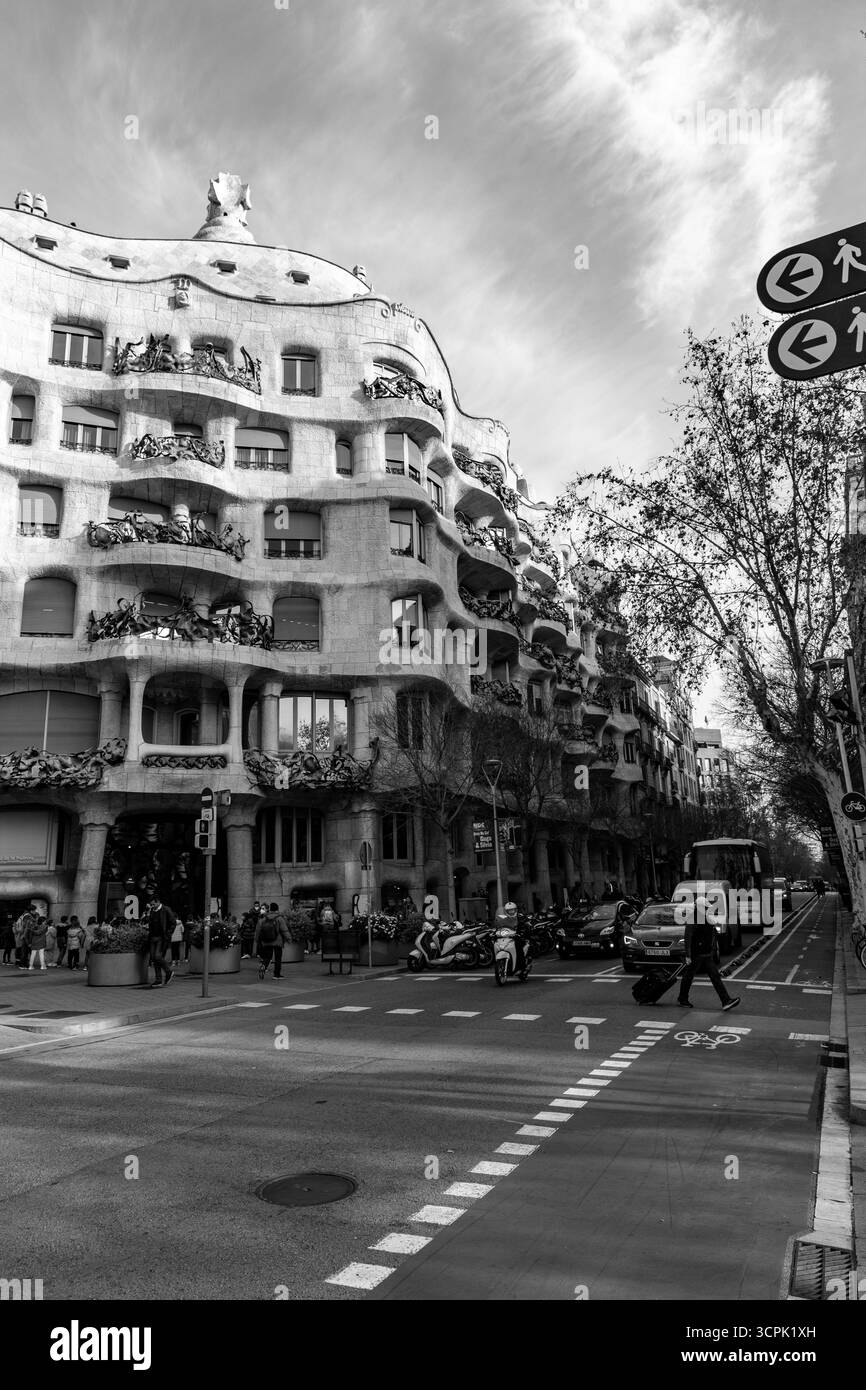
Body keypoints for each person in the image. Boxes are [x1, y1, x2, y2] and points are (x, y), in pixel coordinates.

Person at [677, 899, 740, 1011]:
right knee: (688, 976)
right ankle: (682, 999)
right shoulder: (694, 918)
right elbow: (688, 937)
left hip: (706, 954)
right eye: (706, 907)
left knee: (715, 977)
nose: (708, 909)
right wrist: (688, 955)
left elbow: (712, 931)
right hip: (697, 954)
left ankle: (726, 1001)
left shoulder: (705, 917)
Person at [144, 896, 177, 987]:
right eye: (151, 904)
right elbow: (149, 922)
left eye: (153, 904)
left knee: (157, 956)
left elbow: (173, 922)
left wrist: (168, 934)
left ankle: (168, 971)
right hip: (153, 937)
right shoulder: (151, 911)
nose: (152, 906)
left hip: (162, 937)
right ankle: (158, 980)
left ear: (158, 902)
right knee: (154, 958)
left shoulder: (166, 910)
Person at [255, 902, 289, 979]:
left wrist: (257, 939)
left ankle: (264, 965)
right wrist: (289, 938)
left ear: (270, 909)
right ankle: (276, 975)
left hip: (267, 940)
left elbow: (258, 930)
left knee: (267, 956)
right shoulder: (279, 918)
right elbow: (284, 930)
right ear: (277, 909)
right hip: (277, 941)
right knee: (278, 958)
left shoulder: (264, 918)